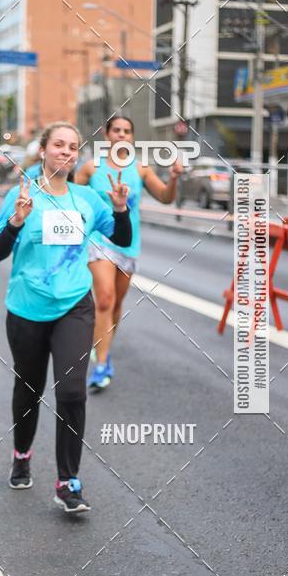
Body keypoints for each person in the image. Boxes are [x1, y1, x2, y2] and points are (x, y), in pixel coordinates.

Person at [0, 121, 132, 513]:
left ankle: (68, 481)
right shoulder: (22, 195)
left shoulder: (86, 199)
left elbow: (119, 236)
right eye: (59, 145)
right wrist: (16, 221)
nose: (66, 152)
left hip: (73, 304)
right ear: (44, 150)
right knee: (29, 391)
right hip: (27, 308)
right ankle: (22, 452)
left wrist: (120, 209)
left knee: (71, 393)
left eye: (73, 146)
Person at [76, 116, 182, 391]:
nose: (121, 135)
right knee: (104, 299)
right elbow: (71, 198)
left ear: (132, 137)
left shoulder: (141, 170)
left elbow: (166, 198)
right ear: (106, 134)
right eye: (116, 130)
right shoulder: (90, 168)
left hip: (128, 244)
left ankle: (104, 347)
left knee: (117, 304)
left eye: (127, 131)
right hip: (99, 240)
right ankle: (101, 365)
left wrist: (173, 179)